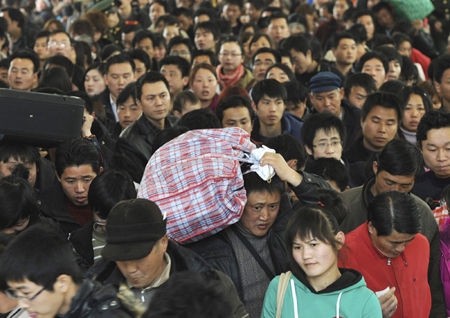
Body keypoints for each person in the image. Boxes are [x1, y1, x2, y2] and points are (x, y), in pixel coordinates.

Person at [338, 139, 445, 317]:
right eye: (389, 182)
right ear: (375, 168)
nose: (395, 191)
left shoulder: (423, 216)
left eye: (405, 186)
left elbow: (433, 285)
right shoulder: (343, 208)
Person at [88, 198, 248, 318]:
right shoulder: (95, 295)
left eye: (139, 258)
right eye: (121, 259)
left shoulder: (210, 286)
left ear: (163, 242)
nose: (130, 269)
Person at [261, 202, 382, 318]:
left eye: (313, 244)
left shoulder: (365, 301)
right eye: (297, 247)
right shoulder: (280, 288)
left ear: (339, 240)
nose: (305, 255)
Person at [0, 224, 134, 318]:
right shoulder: (56, 310)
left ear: (62, 283)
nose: (22, 304)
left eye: (27, 293)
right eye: (16, 294)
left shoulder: (109, 313)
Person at [340, 191, 430, 318]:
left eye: (408, 241)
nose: (401, 249)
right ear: (372, 227)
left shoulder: (421, 243)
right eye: (394, 242)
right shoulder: (344, 254)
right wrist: (370, 313)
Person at [69, 170, 137, 270]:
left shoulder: (143, 236)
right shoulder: (78, 242)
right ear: (92, 211)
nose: (110, 225)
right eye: (103, 218)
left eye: (117, 217)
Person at [37, 139, 103, 236]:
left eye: (87, 180)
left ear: (99, 173)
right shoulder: (43, 208)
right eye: (71, 181)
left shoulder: (113, 202)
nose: (79, 189)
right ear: (58, 176)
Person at [120, 72, 179, 160]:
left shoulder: (178, 123)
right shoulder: (129, 140)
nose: (159, 103)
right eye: (151, 98)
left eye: (163, 96)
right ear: (139, 103)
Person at [343, 91, 402, 163]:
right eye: (375, 121)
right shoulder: (346, 161)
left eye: (389, 124)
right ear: (362, 121)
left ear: (397, 127)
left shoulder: (406, 160)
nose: (382, 129)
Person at [309, 72, 361, 151]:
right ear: (311, 98)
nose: (327, 103)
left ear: (341, 93)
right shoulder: (307, 124)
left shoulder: (358, 117)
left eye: (331, 97)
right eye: (320, 98)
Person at [250, 79, 303, 145]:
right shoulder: (246, 133)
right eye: (266, 103)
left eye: (278, 103)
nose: (273, 109)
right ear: (254, 106)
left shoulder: (301, 133)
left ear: (284, 105)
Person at [412, 110, 450, 203]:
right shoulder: (414, 188)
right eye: (432, 150)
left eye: (448, 148)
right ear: (420, 148)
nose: (441, 158)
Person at [96, 54, 136, 131]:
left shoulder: (143, 102)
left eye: (126, 76)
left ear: (135, 77)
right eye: (115, 77)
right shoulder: (97, 105)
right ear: (106, 79)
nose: (121, 82)